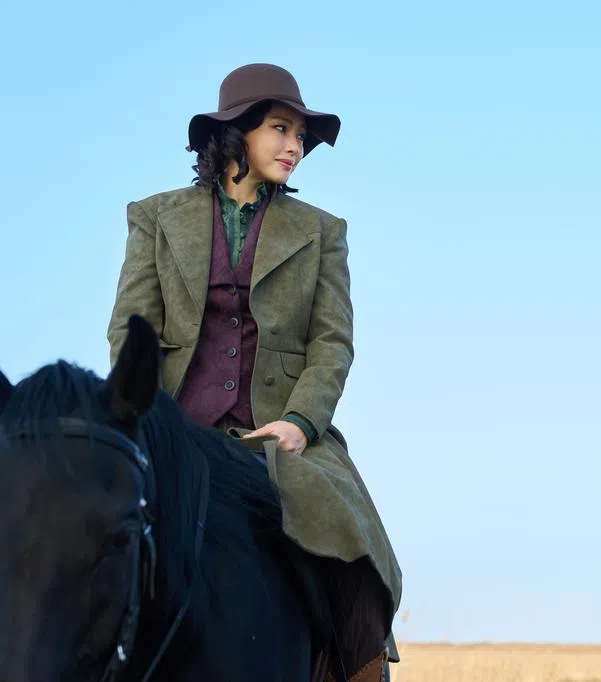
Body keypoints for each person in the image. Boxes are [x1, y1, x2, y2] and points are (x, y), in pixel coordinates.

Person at [106, 63, 402, 682]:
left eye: (301, 136)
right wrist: (143, 417)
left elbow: (332, 342)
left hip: (281, 435)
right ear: (236, 131)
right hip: (173, 425)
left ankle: (360, 670)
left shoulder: (323, 231)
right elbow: (132, 331)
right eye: (281, 129)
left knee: (356, 548)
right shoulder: (155, 216)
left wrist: (299, 422)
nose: (295, 146)